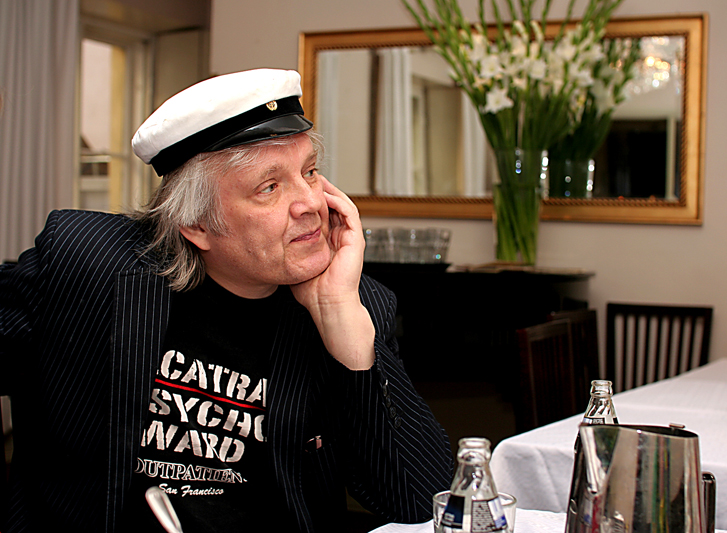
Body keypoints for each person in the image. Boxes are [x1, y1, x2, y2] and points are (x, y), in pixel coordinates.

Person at [0, 68, 453, 532]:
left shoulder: (354, 302)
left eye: (310, 172)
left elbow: (427, 504)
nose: (311, 204)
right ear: (196, 224)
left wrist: (340, 320)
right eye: (269, 187)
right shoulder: (88, 265)